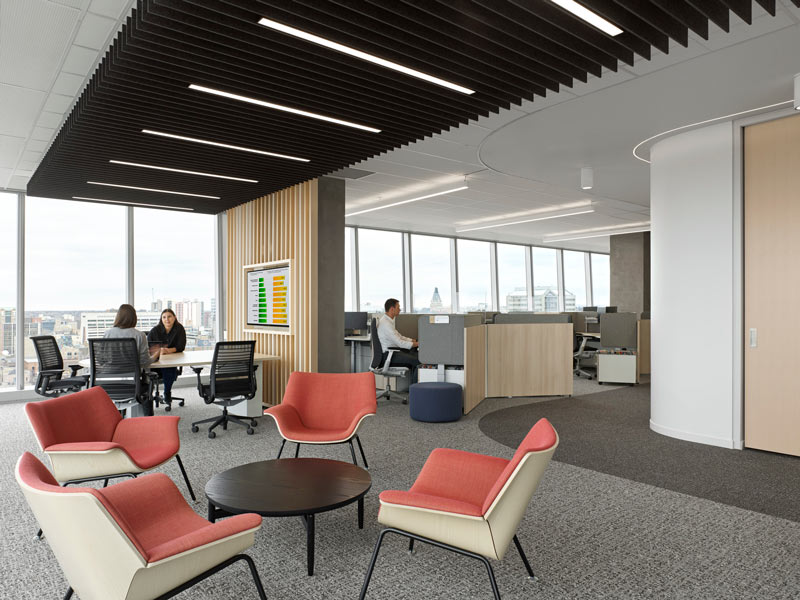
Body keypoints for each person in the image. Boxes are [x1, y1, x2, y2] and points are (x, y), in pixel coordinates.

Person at [104, 304, 160, 416]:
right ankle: (149, 419)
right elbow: (145, 362)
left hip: (110, 383)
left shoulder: (107, 333)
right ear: (134, 318)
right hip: (133, 384)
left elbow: (104, 360)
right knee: (149, 384)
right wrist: (155, 354)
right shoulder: (139, 335)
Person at [147, 308, 186, 409]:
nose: (167, 319)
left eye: (169, 316)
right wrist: (159, 351)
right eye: (164, 317)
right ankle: (148, 398)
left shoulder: (179, 329)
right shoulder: (155, 330)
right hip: (155, 362)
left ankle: (167, 393)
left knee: (169, 367)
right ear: (161, 319)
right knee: (159, 371)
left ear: (174, 318)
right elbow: (147, 348)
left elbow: (181, 346)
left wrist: (167, 350)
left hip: (171, 361)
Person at [378, 298, 420, 382]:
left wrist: (413, 340)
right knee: (418, 361)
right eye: (398, 307)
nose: (400, 309)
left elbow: (399, 336)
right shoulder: (386, 324)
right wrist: (418, 344)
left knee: (415, 354)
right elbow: (400, 343)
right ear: (392, 309)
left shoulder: (387, 321)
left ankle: (413, 387)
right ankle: (414, 391)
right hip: (388, 356)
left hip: (392, 352)